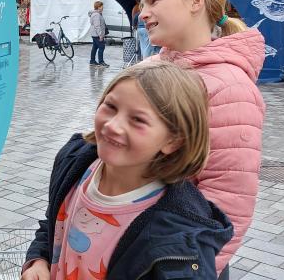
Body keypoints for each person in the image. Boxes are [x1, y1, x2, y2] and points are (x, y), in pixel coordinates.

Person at [22, 61, 233, 280]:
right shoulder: (75, 162)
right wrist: (38, 259)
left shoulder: (180, 239)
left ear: (173, 141)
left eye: (137, 120)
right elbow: (54, 223)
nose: (113, 125)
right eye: (111, 107)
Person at [139, 0, 265, 279]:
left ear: (196, 1)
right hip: (135, 245)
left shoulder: (229, 87)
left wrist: (185, 270)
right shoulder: (148, 68)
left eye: (155, 0)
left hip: (175, 260)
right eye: (143, 3)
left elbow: (228, 202)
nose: (143, 13)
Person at [89, 1, 108, 67]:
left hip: (94, 34)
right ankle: (101, 62)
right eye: (101, 6)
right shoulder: (96, 15)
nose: (103, 7)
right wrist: (100, 35)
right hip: (97, 34)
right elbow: (97, 26)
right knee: (101, 47)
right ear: (98, 7)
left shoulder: (96, 14)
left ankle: (92, 61)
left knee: (95, 47)